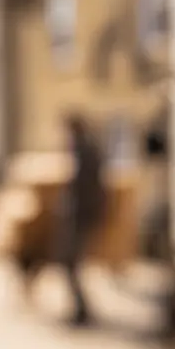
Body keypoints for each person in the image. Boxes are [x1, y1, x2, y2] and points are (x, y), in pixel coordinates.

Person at [59, 113, 107, 327]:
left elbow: (83, 187)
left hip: (81, 215)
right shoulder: (87, 149)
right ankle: (80, 308)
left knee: (70, 263)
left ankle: (82, 310)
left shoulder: (83, 150)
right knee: (71, 265)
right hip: (84, 213)